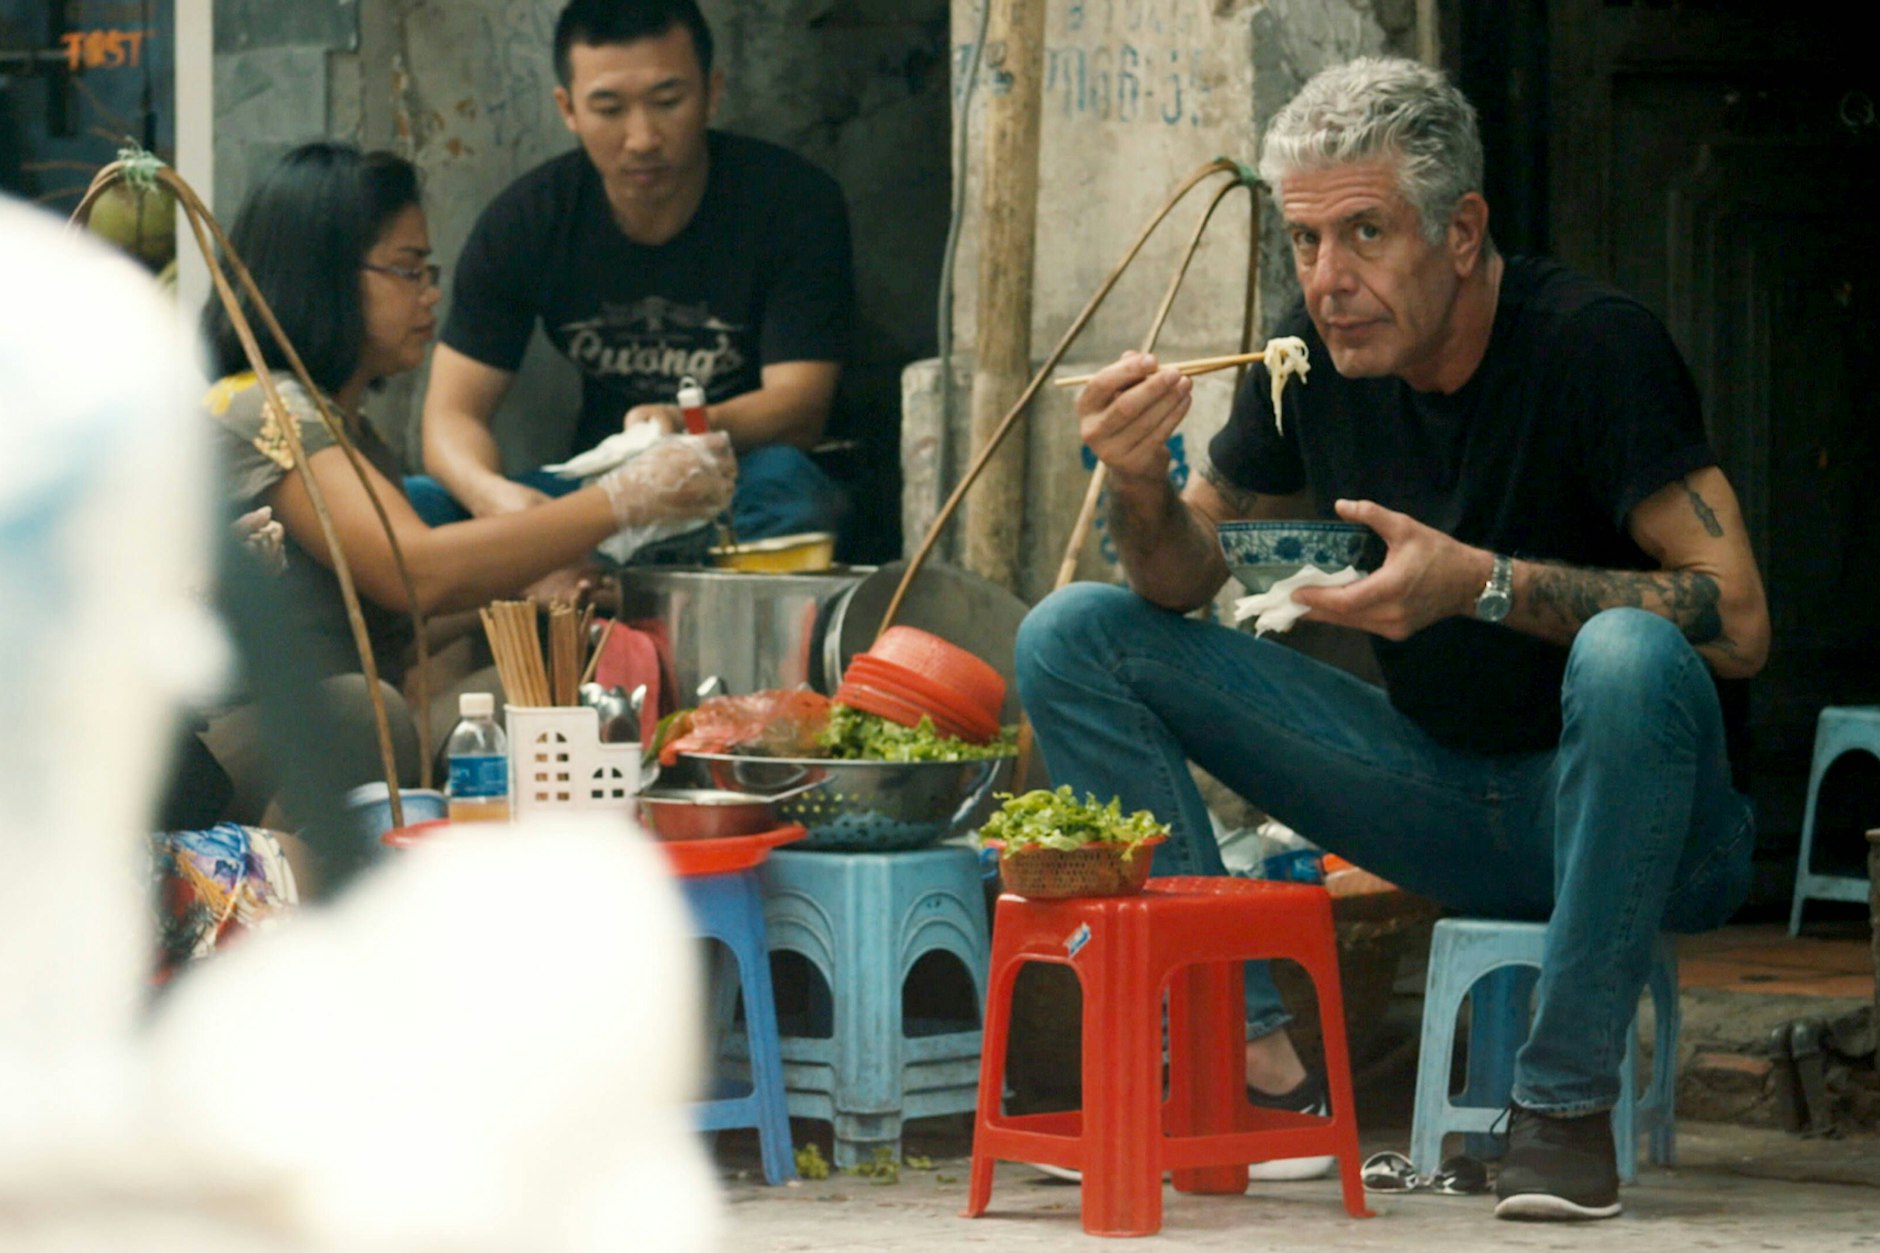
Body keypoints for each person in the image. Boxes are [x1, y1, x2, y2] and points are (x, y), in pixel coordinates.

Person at [1016, 57, 1767, 1222]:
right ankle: (1251, 1069)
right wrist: (1137, 483)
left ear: (1459, 231)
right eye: (1304, 243)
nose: (1327, 281)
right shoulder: (1308, 359)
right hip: (1441, 796)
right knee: (1075, 632)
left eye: (1363, 233)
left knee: (1627, 652)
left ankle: (1561, 1112)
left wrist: (1481, 585)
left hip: (1651, 826)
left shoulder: (1590, 345)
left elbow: (1738, 620)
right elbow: (1179, 580)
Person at [199, 141, 734, 836]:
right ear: (325, 275)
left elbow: (395, 622)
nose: (429, 294)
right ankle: (285, 903)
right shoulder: (263, 408)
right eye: (406, 269)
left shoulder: (349, 428)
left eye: (429, 270)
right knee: (369, 711)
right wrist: (625, 498)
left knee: (554, 679)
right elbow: (412, 572)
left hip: (346, 718)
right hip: (230, 746)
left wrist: (525, 594)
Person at [413, 0, 854, 545]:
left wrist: (683, 424)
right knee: (419, 506)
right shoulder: (527, 221)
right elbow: (451, 416)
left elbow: (801, 407)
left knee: (793, 492)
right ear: (568, 109)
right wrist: (498, 503)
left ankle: (585, 582)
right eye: (609, 109)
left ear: (712, 92)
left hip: (732, 481)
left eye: (668, 101)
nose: (642, 137)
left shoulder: (791, 203)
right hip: (593, 494)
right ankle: (586, 570)